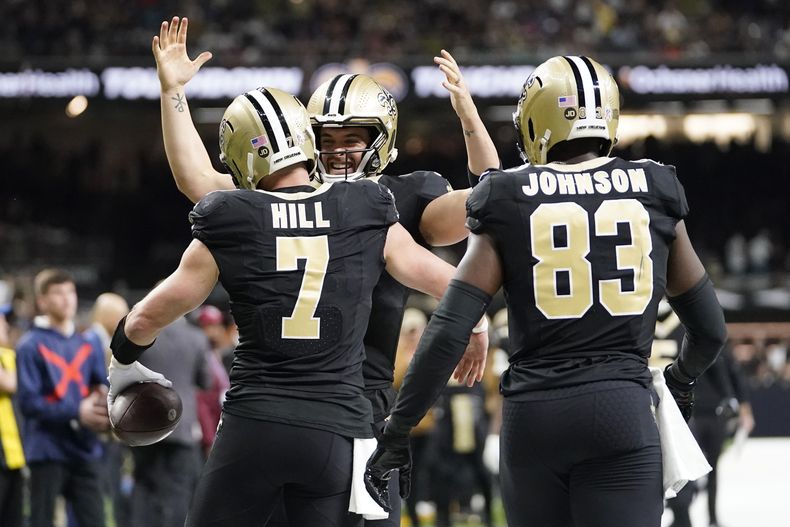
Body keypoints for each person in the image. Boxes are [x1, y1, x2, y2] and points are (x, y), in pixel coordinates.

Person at [151, 17, 496, 525]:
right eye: (326, 137)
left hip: (359, 407)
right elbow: (198, 179)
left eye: (352, 137)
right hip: (289, 404)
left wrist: (468, 115)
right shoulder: (287, 188)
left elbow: (483, 206)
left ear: (381, 138)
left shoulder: (397, 197)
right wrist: (173, 92)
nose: (337, 149)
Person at [365, 55, 729, 527]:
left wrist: (398, 430)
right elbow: (711, 331)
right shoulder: (654, 185)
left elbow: (448, 329)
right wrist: (679, 381)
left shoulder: (508, 195)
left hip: (536, 415)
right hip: (622, 406)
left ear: (537, 119)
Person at [16, 269, 111, 527]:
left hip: (84, 447)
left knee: (95, 520)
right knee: (41, 520)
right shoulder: (29, 345)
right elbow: (28, 403)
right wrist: (77, 411)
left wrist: (102, 403)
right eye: (58, 293)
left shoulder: (87, 344)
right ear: (42, 302)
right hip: (46, 448)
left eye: (71, 291)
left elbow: (100, 385)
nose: (67, 299)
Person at [130, 315, 212, 527]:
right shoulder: (196, 337)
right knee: (178, 491)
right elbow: (206, 380)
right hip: (181, 423)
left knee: (144, 486)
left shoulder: (142, 335)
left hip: (144, 425)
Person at [0, 306, 25, 527]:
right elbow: (11, 383)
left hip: (12, 453)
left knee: (14, 518)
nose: (5, 325)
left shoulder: (7, 355)